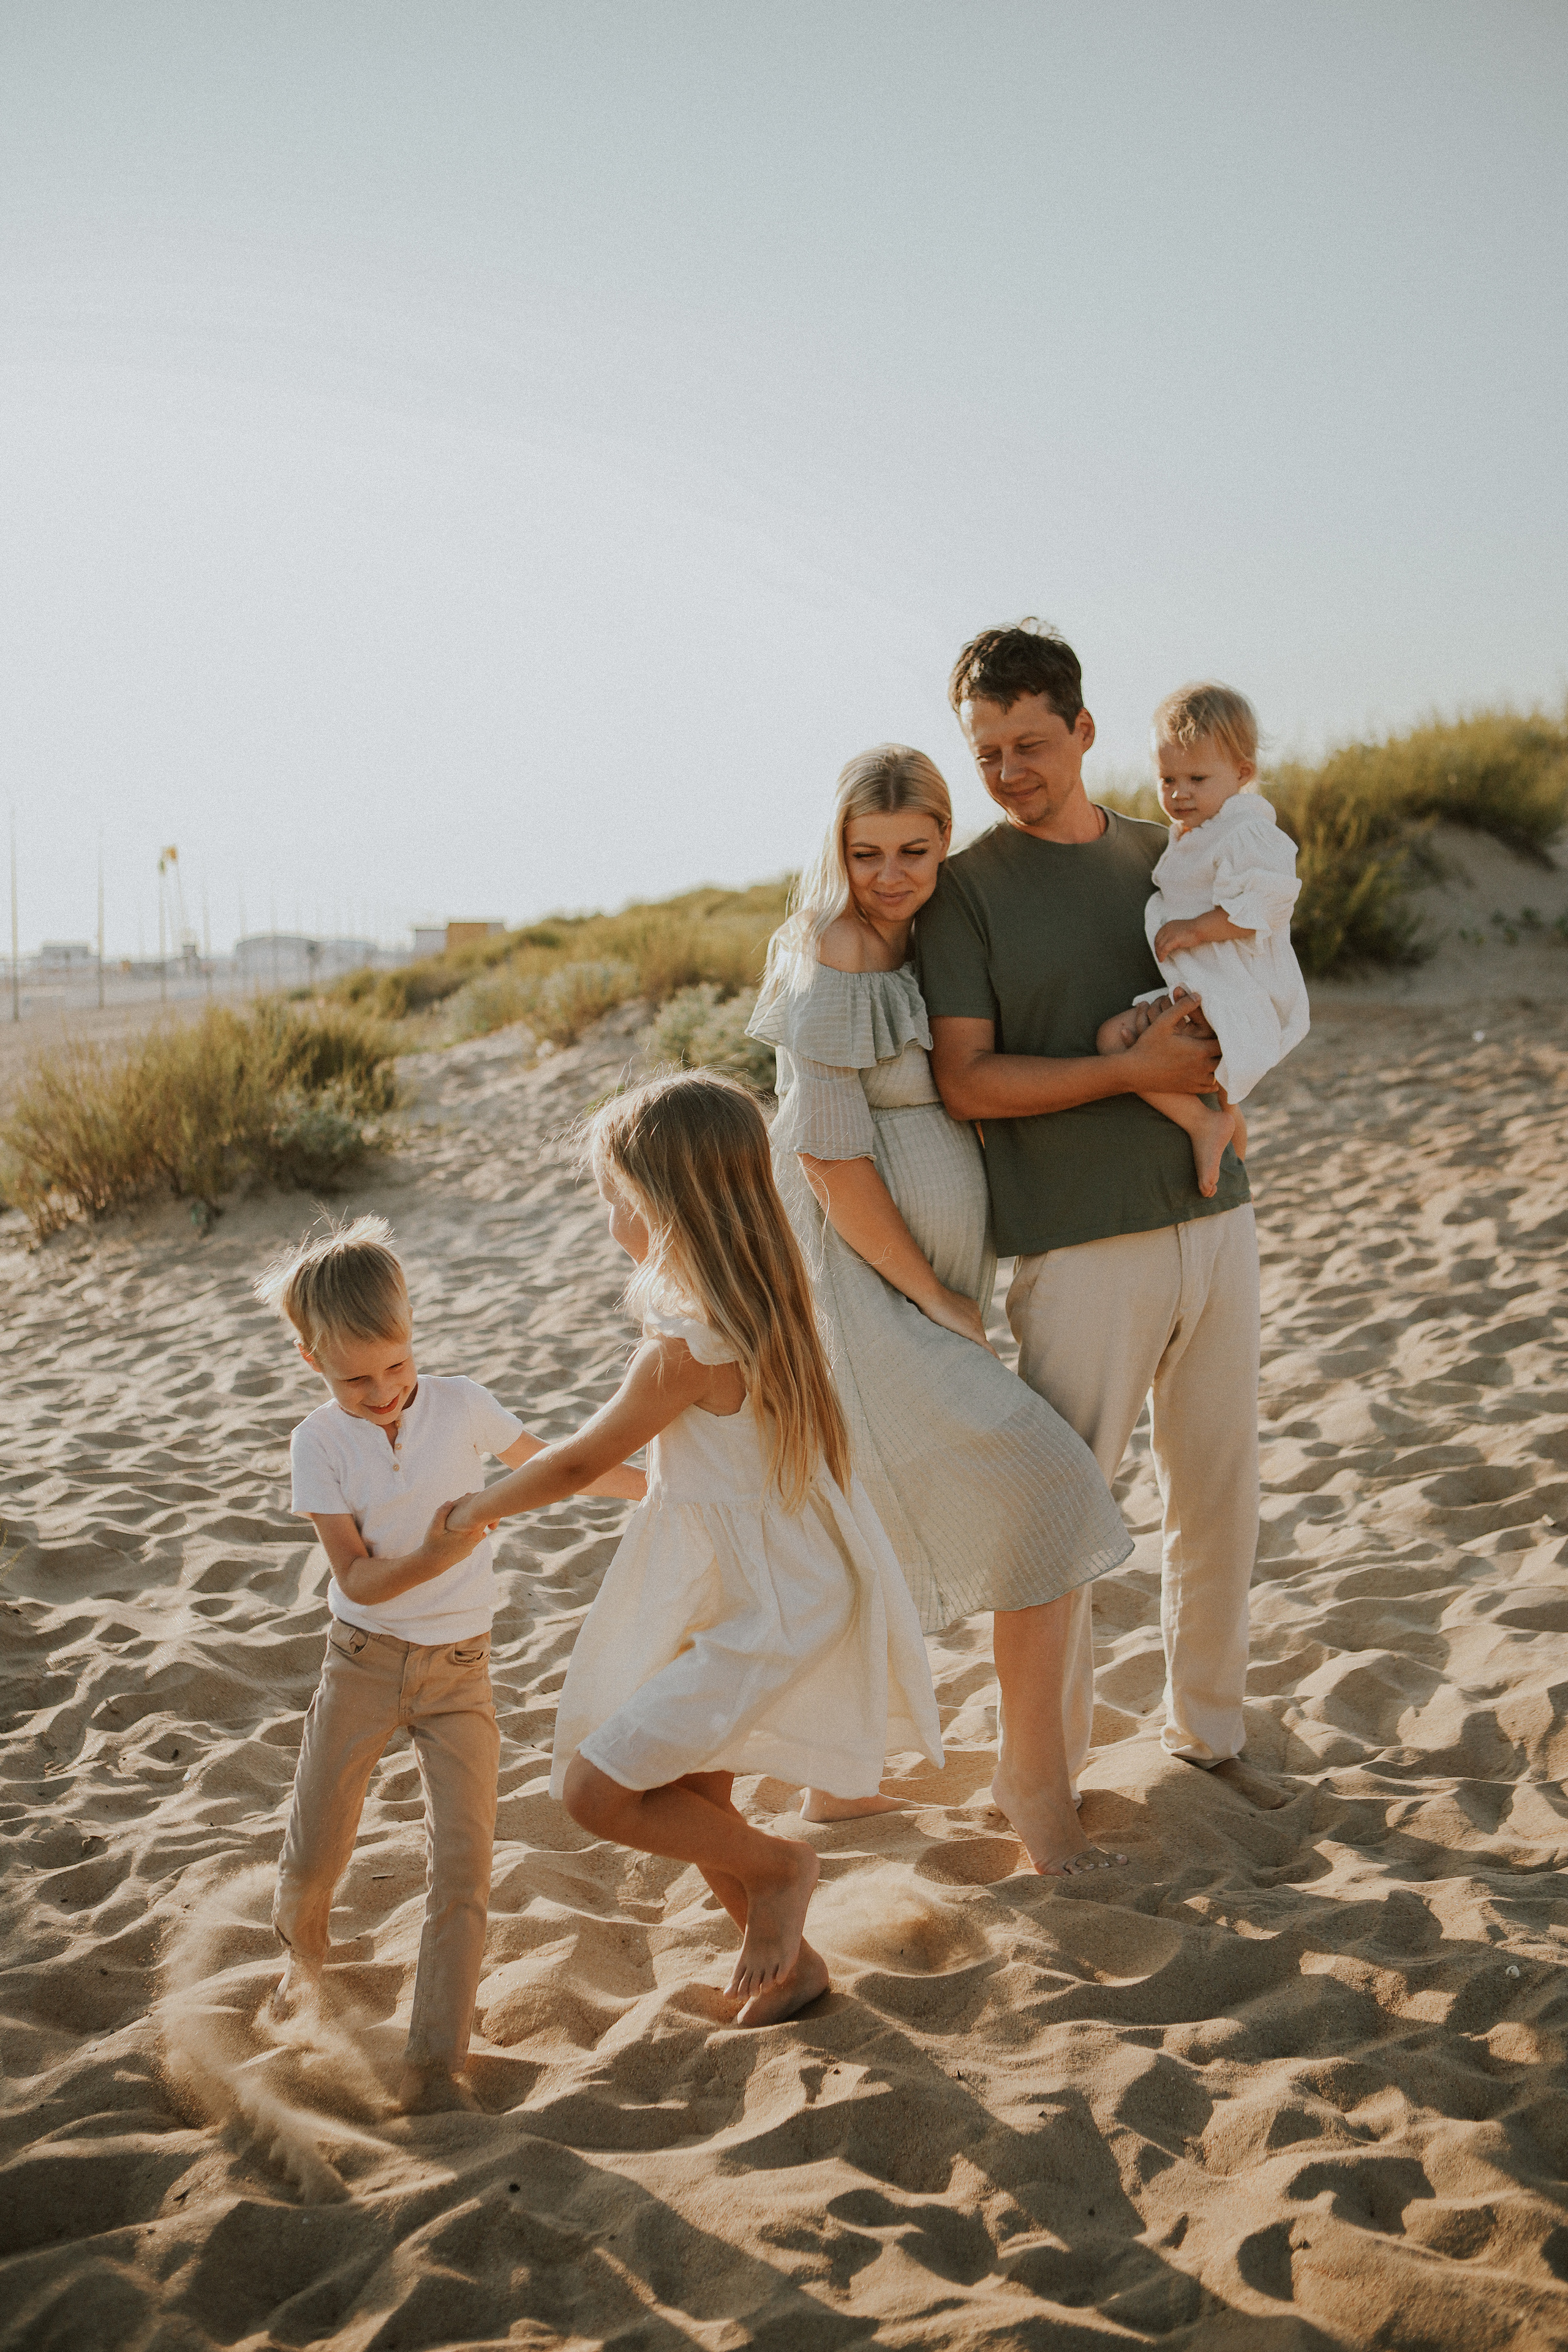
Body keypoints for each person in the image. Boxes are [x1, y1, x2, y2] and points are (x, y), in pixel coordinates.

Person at [447, 1072, 942, 2025]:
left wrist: (476, 1509)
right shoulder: (766, 1310)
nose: (607, 1217)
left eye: (612, 1198)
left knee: (598, 1789)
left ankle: (783, 1866)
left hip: (762, 1607)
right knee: (691, 1795)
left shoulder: (684, 1347)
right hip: (771, 1587)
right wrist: (593, 1485)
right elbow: (695, 1476)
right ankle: (793, 1968)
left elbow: (578, 1461)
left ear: (657, 1208)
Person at [746, 745, 1135, 1876]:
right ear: (838, 849)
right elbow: (827, 1161)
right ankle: (1030, 1781)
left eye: (915, 850)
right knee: (1046, 1489)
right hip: (867, 1294)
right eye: (866, 854)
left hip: (924, 1288)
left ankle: (836, 1785)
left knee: (869, 1522)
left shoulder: (929, 938)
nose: (891, 874)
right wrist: (938, 1297)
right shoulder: (833, 957)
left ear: (944, 837)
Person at [919, 620, 1264, 1797]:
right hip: (1076, 1249)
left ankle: (1211, 1737)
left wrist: (1226, 1088)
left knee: (1221, 1494)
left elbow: (1237, 994)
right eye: (986, 753)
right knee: (1062, 1520)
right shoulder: (962, 896)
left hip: (1218, 1215)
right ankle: (1049, 1777)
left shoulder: (1170, 859)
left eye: (1029, 743)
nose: (1009, 771)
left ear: (1084, 731)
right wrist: (1128, 1074)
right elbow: (966, 1080)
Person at [255, 1214, 645, 2113]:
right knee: (318, 1847)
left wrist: (662, 1482)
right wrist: (445, 1544)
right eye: (356, 1378)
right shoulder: (318, 1443)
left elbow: (555, 1467)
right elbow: (356, 1573)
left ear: (413, 1333)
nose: (385, 1391)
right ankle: (301, 1963)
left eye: (398, 1366)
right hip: (360, 1661)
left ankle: (435, 2065)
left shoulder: (462, 1403)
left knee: (464, 1869)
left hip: (462, 1672)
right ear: (310, 1360)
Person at [1096, 682, 1309, 1196]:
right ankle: (1220, 1134)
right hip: (1204, 986)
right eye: (1167, 779)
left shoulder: (1244, 831)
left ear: (1242, 773)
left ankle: (1205, 1129)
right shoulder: (1196, 832)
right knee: (1138, 1050)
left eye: (1196, 777)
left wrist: (1195, 929)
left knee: (1115, 1040)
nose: (1179, 793)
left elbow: (1265, 907)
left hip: (1232, 988)